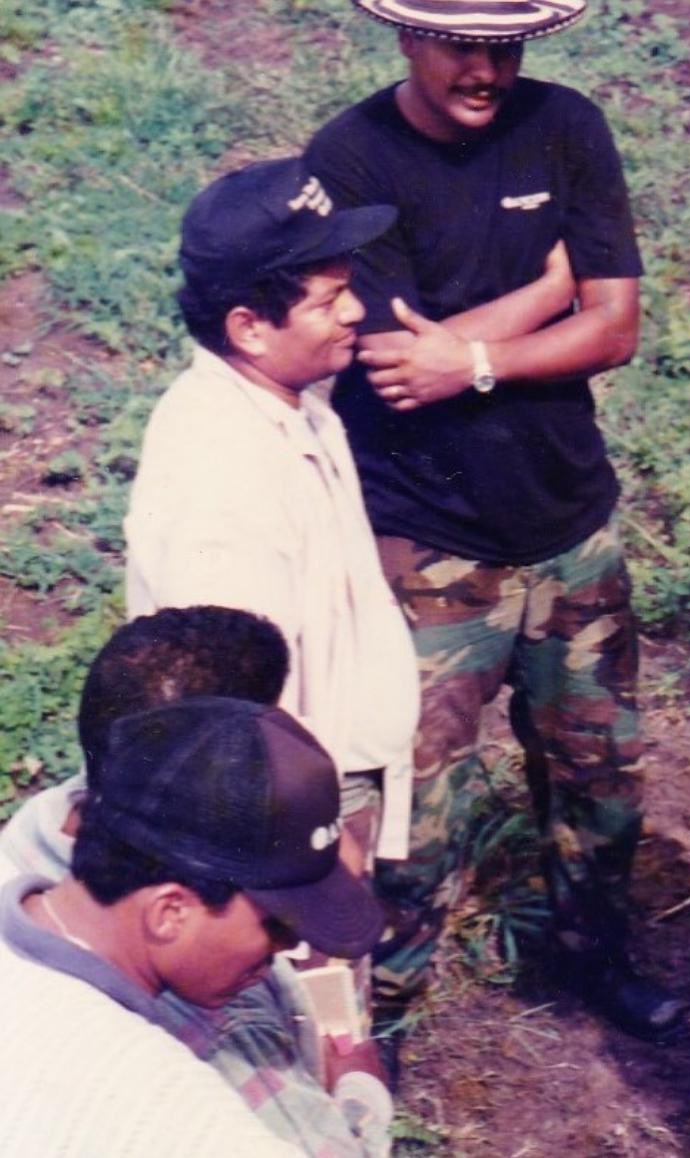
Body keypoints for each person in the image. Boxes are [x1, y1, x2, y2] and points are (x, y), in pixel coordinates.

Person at [303, 0, 682, 1038]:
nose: (484, 70)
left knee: (599, 779)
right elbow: (387, 371)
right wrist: (550, 289)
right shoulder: (350, 158)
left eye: (504, 45)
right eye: (459, 44)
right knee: (414, 814)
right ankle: (381, 1023)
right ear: (404, 39)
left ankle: (594, 956)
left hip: (569, 523)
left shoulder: (567, 127)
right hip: (427, 544)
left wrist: (469, 356)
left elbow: (615, 329)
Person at [124, 156, 420, 901]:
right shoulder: (220, 469)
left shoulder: (294, 404)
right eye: (331, 299)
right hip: (280, 811)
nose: (356, 312)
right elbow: (238, 705)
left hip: (327, 771)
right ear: (248, 327)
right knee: (301, 1003)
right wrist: (307, 853)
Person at [0, 606, 393, 1158]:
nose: (295, 949)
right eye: (277, 926)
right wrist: (361, 1097)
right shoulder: (188, 1112)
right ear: (170, 913)